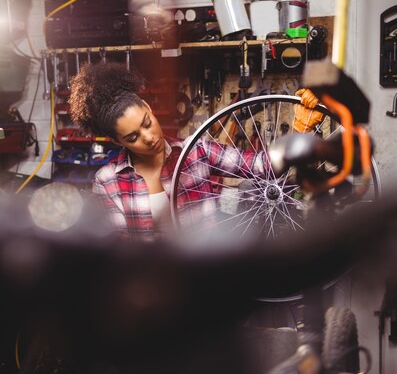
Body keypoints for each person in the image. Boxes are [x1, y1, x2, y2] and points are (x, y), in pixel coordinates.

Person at [68, 62, 278, 243]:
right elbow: (124, 251)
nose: (149, 138)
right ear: (116, 141)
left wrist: (300, 135)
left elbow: (260, 164)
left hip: (207, 273)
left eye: (147, 123)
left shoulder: (195, 151)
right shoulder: (107, 182)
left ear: (148, 107)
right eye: (133, 138)